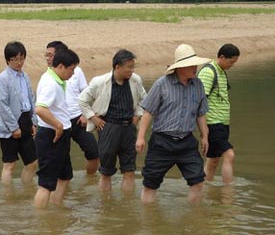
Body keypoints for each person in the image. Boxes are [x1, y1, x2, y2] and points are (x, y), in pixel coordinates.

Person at [136, 44, 211, 203]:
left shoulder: (198, 85)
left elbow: (201, 113)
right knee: (151, 183)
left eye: (195, 64)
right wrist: (140, 137)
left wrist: (205, 136)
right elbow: (148, 112)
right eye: (191, 65)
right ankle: (147, 220)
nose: (195, 68)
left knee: (198, 181)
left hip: (187, 141)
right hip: (162, 141)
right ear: (180, 67)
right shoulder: (161, 84)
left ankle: (193, 220)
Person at [78, 49, 147, 192]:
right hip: (108, 127)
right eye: (129, 67)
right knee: (105, 172)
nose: (132, 70)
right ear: (117, 67)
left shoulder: (135, 80)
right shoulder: (100, 82)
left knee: (129, 171)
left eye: (133, 66)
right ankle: (105, 206)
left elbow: (143, 99)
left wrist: (137, 116)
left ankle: (126, 207)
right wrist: (94, 118)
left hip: (129, 127)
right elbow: (82, 100)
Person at [34, 48, 80, 208]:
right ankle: (41, 221)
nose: (73, 74)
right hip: (51, 135)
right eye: (71, 69)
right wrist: (58, 125)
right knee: (46, 183)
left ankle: (55, 209)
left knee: (65, 176)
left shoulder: (54, 79)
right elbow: (40, 109)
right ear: (61, 66)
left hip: (60, 135)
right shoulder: (51, 83)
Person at [45, 41, 99, 174]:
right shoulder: (47, 77)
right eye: (46, 55)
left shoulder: (76, 71)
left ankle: (89, 181)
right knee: (62, 158)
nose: (48, 58)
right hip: (59, 122)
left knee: (94, 152)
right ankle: (63, 184)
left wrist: (85, 114)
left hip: (78, 118)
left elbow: (86, 93)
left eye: (51, 55)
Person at [0, 41, 38, 185]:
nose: (19, 62)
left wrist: (34, 122)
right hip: (10, 124)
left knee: (32, 162)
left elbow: (31, 99)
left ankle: (26, 192)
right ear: (8, 60)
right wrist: (14, 127)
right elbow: (3, 105)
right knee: (10, 164)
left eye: (22, 58)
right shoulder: (2, 78)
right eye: (15, 59)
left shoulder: (25, 76)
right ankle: (7, 197)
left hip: (26, 120)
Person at [197, 43, 240, 184]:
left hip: (222, 124)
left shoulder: (221, 71)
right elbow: (199, 99)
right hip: (212, 123)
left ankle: (203, 189)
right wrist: (203, 130)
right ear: (222, 57)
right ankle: (228, 194)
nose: (232, 65)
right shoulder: (209, 72)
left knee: (213, 160)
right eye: (231, 61)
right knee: (230, 154)